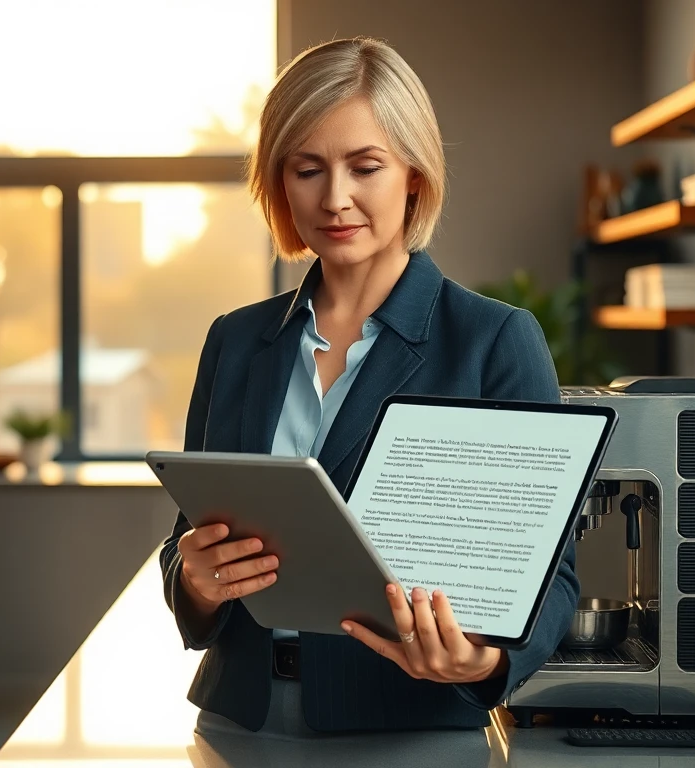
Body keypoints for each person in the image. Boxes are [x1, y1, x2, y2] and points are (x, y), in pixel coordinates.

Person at [158, 36, 578, 738]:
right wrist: (195, 581)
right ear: (279, 182)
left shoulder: (494, 342)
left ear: (413, 174)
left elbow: (553, 578)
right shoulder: (235, 340)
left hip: (407, 727)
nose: (335, 198)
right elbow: (187, 542)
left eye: (365, 166)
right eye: (307, 169)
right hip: (240, 724)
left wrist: (482, 662)